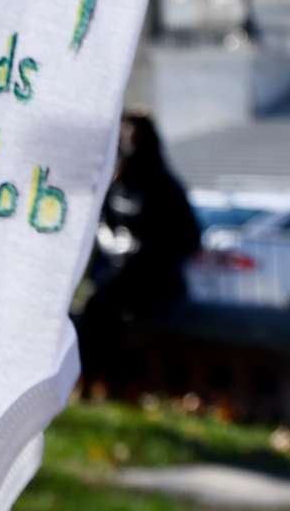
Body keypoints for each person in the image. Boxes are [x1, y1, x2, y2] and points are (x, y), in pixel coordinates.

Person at [78, 112, 200, 384]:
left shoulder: (166, 187)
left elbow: (189, 238)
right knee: (95, 305)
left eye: (136, 137)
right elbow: (103, 225)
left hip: (154, 280)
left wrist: (144, 253)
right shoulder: (117, 184)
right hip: (116, 275)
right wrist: (117, 247)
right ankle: (92, 378)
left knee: (108, 306)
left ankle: (111, 379)